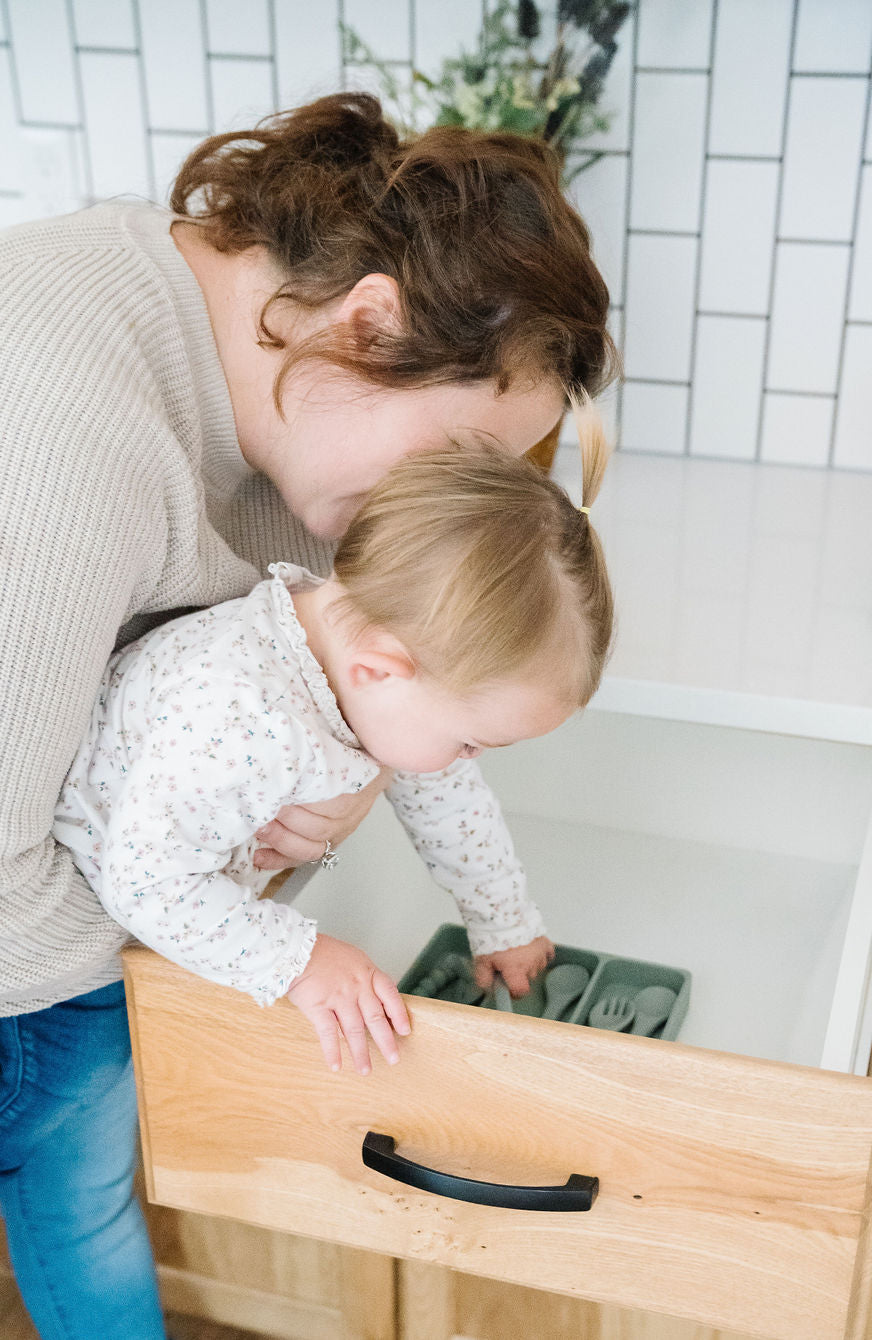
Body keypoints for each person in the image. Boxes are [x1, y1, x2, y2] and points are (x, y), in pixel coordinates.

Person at [0, 91, 613, 1340]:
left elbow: (363, 653)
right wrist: (227, 920)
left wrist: (357, 785)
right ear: (371, 322)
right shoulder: (60, 436)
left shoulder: (289, 391)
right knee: (69, 1198)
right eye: (461, 454)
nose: (449, 505)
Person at [54, 405, 612, 1082]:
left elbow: (448, 800)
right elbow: (147, 883)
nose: (472, 760)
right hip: (82, 967)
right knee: (82, 1173)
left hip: (179, 926)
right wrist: (302, 958)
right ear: (379, 668)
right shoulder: (242, 715)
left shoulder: (372, 657)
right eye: (470, 741)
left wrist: (504, 922)